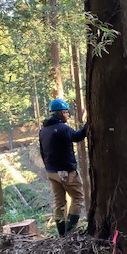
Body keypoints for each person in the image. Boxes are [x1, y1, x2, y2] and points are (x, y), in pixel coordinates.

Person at [39, 98, 88, 237]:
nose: (67, 115)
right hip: (66, 171)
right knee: (78, 197)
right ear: (60, 113)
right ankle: (70, 230)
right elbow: (77, 137)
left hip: (52, 172)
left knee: (59, 202)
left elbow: (42, 152)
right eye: (66, 112)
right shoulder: (62, 128)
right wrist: (88, 126)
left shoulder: (44, 130)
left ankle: (62, 234)